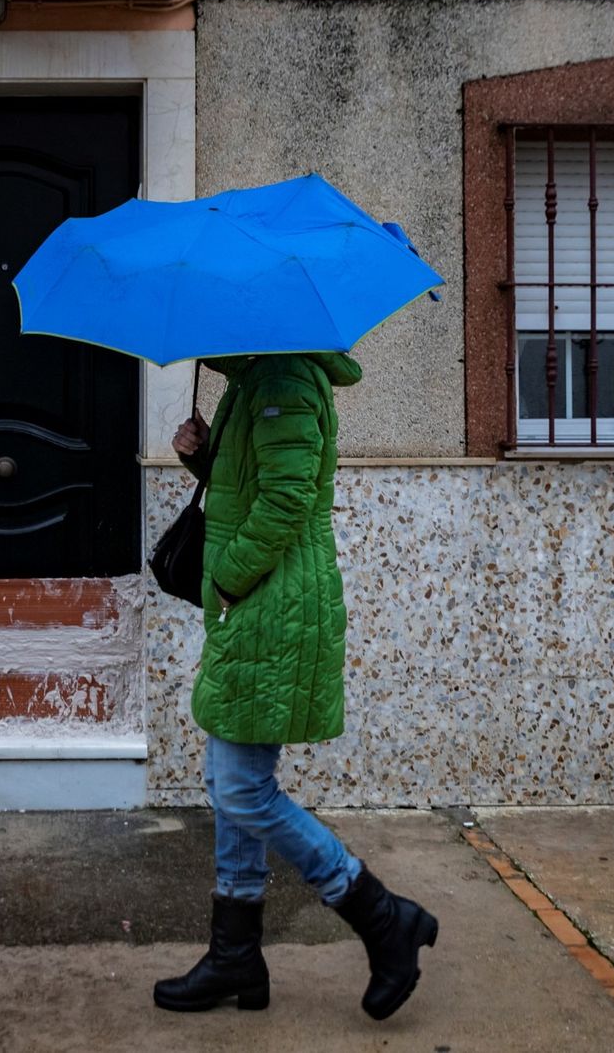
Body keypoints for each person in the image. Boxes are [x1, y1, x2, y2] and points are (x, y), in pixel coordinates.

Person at [153, 352, 439, 1021]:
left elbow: (286, 501)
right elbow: (265, 482)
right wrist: (205, 457)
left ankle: (379, 914)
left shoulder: (282, 378)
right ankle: (236, 957)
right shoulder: (259, 379)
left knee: (242, 788)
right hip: (259, 602)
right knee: (233, 778)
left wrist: (228, 576)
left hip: (270, 603)